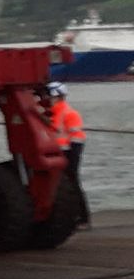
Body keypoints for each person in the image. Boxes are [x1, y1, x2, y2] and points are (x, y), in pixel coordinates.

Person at [47, 82, 91, 226]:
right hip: (65, 150)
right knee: (68, 182)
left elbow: (71, 134)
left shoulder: (63, 111)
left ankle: (82, 216)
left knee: (71, 181)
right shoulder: (56, 110)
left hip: (69, 150)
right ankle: (79, 216)